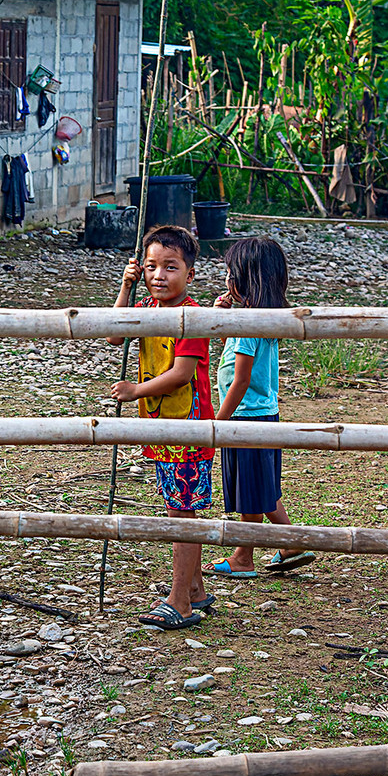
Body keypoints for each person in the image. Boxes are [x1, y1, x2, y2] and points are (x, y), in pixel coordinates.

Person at [107, 224, 215, 630]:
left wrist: (136, 390)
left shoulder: (193, 317)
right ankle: (195, 590)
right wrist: (125, 287)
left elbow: (183, 374)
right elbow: (115, 335)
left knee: (183, 512)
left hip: (186, 425)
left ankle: (179, 603)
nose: (158, 276)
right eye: (151, 266)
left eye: (170, 267)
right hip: (159, 424)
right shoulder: (147, 310)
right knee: (177, 505)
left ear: (190, 274)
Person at [208, 236, 314, 577]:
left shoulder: (249, 322)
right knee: (260, 486)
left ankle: (244, 556)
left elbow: (239, 380)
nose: (225, 280)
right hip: (263, 413)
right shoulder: (265, 318)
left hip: (244, 416)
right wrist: (224, 323)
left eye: (229, 273)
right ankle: (290, 542)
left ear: (243, 279)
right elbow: (238, 357)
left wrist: (216, 424)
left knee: (252, 491)